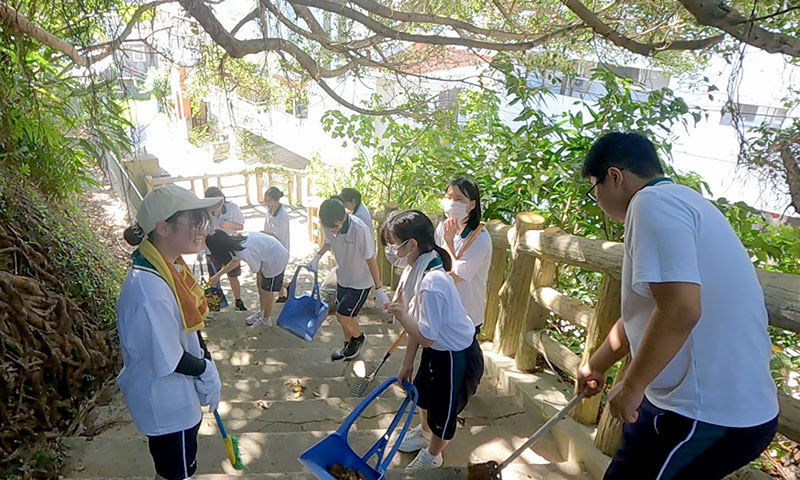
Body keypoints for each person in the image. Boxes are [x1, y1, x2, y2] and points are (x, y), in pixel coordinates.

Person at [576, 132, 778, 479]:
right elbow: (649, 310)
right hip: (707, 407)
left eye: (593, 189)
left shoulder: (651, 204)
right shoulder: (686, 201)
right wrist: (597, 365)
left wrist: (633, 385)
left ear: (614, 176)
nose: (597, 200)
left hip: (703, 412)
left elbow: (680, 311)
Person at [117, 185, 223, 480]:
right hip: (167, 405)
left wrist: (206, 358)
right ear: (163, 228)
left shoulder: (169, 266)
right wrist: (205, 370)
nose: (201, 228)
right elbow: (171, 358)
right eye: (194, 220)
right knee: (174, 475)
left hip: (178, 396)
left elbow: (190, 325)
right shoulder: (149, 289)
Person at [380, 210, 484, 470]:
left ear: (411, 244)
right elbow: (420, 325)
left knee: (443, 411)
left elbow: (425, 335)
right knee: (423, 394)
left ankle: (434, 454)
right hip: (437, 348)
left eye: (393, 245)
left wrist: (402, 315)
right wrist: (407, 363)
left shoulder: (431, 283)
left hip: (454, 355)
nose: (391, 251)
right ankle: (425, 434)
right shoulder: (419, 266)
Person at [307, 197, 389, 361]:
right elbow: (328, 242)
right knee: (345, 315)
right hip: (343, 276)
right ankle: (347, 346)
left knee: (342, 315)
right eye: (328, 227)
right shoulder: (328, 225)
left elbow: (370, 258)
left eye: (335, 227)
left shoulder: (359, 230)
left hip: (361, 281)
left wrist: (378, 288)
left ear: (344, 217)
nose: (332, 230)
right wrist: (316, 257)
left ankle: (358, 338)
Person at [434, 177, 492, 337]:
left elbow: (455, 275)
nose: (452, 203)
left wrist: (448, 241)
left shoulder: (480, 238)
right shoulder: (441, 227)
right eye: (448, 197)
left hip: (466, 314)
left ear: (472, 204)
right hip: (442, 311)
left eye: (459, 199)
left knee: (462, 360)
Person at [206, 230, 289, 327]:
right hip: (269, 254)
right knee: (260, 284)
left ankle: (266, 319)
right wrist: (217, 276)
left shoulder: (243, 251)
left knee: (267, 290)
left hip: (276, 258)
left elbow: (255, 268)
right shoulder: (236, 239)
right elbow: (235, 261)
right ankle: (262, 312)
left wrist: (218, 275)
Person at [204, 187, 246, 311]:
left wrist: (229, 225)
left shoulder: (232, 208)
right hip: (212, 248)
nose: (215, 209)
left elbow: (241, 226)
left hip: (229, 247)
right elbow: (202, 232)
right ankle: (215, 304)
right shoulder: (205, 212)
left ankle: (238, 301)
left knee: (233, 275)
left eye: (218, 204)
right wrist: (202, 252)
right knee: (214, 277)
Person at [263, 186, 291, 302]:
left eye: (269, 201)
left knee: (277, 273)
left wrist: (263, 234)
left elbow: (279, 234)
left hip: (281, 247)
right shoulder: (269, 212)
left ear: (276, 200)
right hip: (270, 246)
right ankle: (281, 295)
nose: (267, 204)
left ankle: (286, 287)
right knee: (276, 272)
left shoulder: (283, 215)